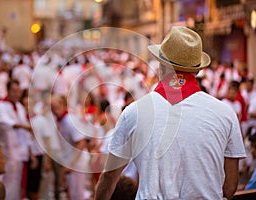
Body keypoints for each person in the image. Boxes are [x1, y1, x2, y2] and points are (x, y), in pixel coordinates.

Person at [94, 26, 246, 200]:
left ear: (161, 64)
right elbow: (230, 185)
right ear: (197, 70)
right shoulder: (225, 113)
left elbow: (109, 177)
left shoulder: (134, 112)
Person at [0, 79, 32, 200]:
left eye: (18, 91)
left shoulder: (20, 107)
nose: (17, 94)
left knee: (17, 183)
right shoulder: (0, 106)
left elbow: (26, 132)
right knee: (5, 182)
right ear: (8, 91)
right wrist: (22, 126)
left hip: (20, 152)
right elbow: (4, 122)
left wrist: (30, 151)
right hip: (6, 151)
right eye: (14, 91)